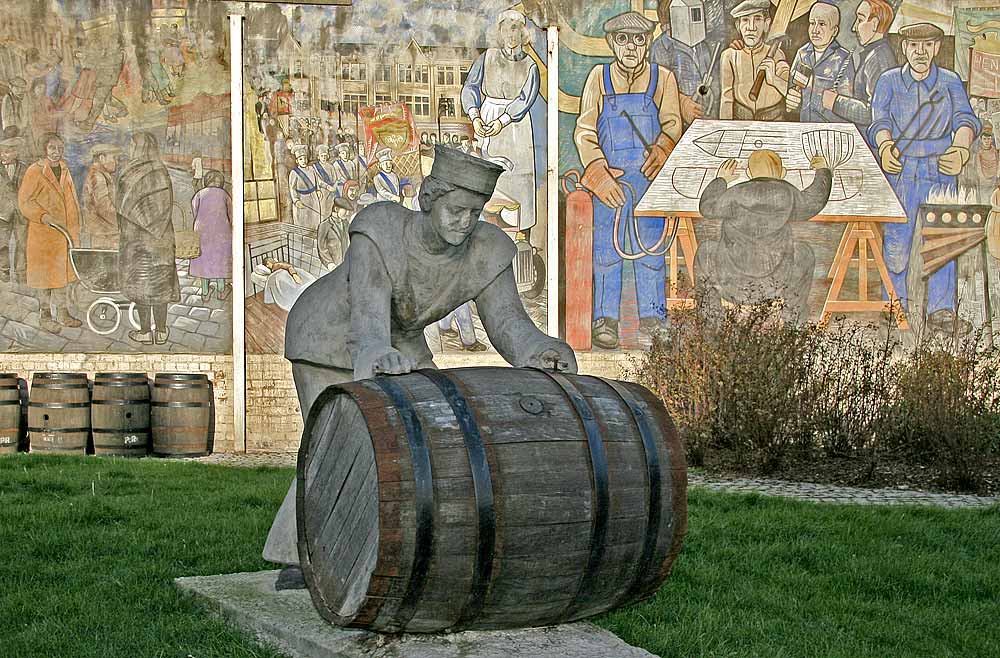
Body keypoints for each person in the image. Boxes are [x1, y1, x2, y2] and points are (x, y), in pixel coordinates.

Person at [264, 146, 577, 575]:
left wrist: (538, 350)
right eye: (455, 210)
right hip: (328, 337)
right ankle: (297, 556)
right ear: (428, 198)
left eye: (474, 212)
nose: (464, 222)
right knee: (336, 444)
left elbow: (509, 325)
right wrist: (375, 350)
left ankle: (396, 548)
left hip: (401, 344)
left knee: (425, 444)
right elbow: (368, 311)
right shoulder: (381, 229)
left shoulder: (486, 250)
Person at [574, 10, 683, 350]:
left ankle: (653, 318)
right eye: (623, 39)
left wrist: (664, 149)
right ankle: (606, 319)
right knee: (607, 249)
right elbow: (585, 130)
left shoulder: (662, 78)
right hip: (611, 183)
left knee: (651, 248)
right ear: (612, 43)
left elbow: (673, 124)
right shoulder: (598, 78)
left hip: (649, 180)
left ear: (647, 43)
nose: (631, 47)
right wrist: (598, 173)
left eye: (638, 39)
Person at [870, 22, 980, 329]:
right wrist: (886, 147)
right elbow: (878, 121)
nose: (921, 52)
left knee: (944, 240)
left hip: (940, 169)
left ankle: (942, 311)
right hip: (902, 170)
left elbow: (965, 118)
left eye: (929, 45)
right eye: (914, 46)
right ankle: (894, 303)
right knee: (896, 241)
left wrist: (960, 149)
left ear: (936, 48)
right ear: (904, 47)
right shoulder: (888, 81)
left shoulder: (949, 81)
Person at [696, 151, 832, 321]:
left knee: (704, 250)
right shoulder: (787, 193)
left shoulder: (733, 193)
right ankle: (793, 321)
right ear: (782, 174)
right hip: (774, 285)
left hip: (731, 285)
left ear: (748, 174)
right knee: (804, 253)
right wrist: (823, 170)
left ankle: (710, 320)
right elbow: (815, 200)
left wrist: (721, 179)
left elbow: (707, 207)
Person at [462, 9, 541, 255]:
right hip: (487, 120)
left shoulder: (530, 65)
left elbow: (525, 98)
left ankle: (521, 243)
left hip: (516, 128)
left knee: (519, 181)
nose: (511, 34)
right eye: (507, 28)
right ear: (499, 32)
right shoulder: (487, 58)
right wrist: (475, 117)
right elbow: (470, 88)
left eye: (516, 28)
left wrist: (503, 120)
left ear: (523, 32)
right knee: (489, 181)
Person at [117, 132, 180, 345]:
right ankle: (161, 332)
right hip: (161, 239)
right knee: (159, 284)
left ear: (141, 147)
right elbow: (164, 205)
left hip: (137, 240)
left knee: (141, 284)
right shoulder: (161, 170)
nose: (129, 149)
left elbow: (123, 205)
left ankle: (145, 332)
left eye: (132, 145)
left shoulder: (130, 172)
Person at [17, 133, 82, 333]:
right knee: (45, 278)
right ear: (44, 149)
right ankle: (45, 315)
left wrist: (77, 223)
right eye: (52, 148)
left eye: (60, 148)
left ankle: (63, 314)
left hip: (65, 234)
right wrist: (43, 216)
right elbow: (24, 202)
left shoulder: (64, 169)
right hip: (44, 235)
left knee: (62, 275)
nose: (56, 152)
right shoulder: (34, 171)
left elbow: (71, 198)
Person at [821, 0, 897, 133]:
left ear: (874, 24)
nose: (854, 27)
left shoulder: (878, 59)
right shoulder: (875, 54)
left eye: (860, 20)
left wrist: (836, 102)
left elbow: (873, 113)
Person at [651, 0, 720, 121]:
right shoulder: (661, 47)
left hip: (703, 118)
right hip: (677, 122)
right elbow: (658, 89)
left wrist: (709, 92)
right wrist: (682, 103)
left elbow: (712, 80)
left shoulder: (701, 45)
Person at [720, 0, 789, 121]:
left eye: (757, 19)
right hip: (740, 121)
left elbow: (790, 92)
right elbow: (726, 99)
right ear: (738, 25)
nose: (751, 27)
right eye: (745, 20)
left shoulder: (777, 55)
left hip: (774, 121)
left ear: (766, 24)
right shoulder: (729, 56)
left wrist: (774, 79)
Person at [785, 2, 854, 123]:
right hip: (803, 124)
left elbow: (846, 105)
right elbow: (791, 90)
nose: (815, 30)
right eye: (812, 23)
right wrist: (791, 99)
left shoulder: (844, 58)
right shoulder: (802, 53)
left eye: (822, 24)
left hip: (830, 129)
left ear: (834, 31)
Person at [189, 169, 233, 301]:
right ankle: (221, 290)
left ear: (206, 181)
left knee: (203, 261)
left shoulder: (200, 194)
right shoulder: (225, 194)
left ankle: (205, 292)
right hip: (221, 232)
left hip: (202, 231)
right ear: (220, 182)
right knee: (219, 259)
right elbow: (231, 213)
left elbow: (194, 209)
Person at [0, 129, 28, 284]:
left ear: (16, 152)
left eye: (9, 151)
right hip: (2, 213)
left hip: (20, 212)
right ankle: (3, 271)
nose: (5, 155)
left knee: (22, 243)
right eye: (3, 151)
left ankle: (21, 272)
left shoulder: (24, 168)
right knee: (2, 243)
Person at [81, 144, 121, 249]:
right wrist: (122, 223)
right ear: (102, 158)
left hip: (104, 232)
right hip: (104, 235)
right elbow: (104, 208)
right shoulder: (98, 177)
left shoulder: (100, 175)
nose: (117, 162)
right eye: (114, 158)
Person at [288, 145, 323, 230]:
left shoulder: (311, 169)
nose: (303, 161)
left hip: (313, 197)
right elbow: (292, 188)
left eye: (304, 158)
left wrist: (318, 190)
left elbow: (317, 180)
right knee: (303, 223)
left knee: (315, 220)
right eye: (300, 159)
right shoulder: (294, 173)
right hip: (302, 199)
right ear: (297, 161)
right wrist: (296, 201)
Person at [317, 196, 352, 271]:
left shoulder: (346, 224)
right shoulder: (324, 226)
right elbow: (322, 248)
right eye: (345, 210)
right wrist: (330, 264)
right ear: (336, 209)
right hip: (331, 267)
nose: (348, 213)